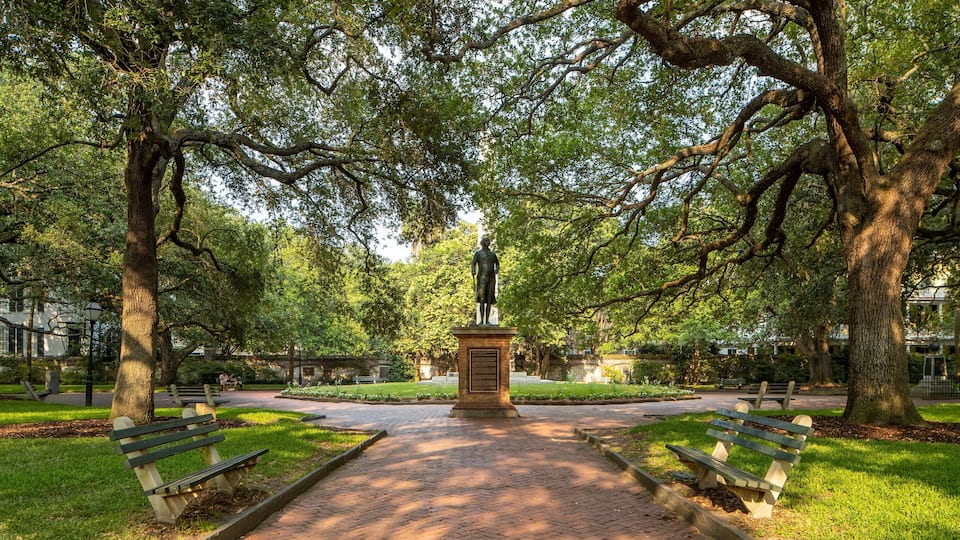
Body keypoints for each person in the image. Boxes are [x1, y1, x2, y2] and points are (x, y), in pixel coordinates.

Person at [471, 236, 499, 325]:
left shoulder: (492, 254)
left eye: (488, 241)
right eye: (486, 240)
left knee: (489, 300)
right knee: (482, 300)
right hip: (481, 279)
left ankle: (487, 321)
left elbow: (497, 263)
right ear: (482, 242)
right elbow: (473, 263)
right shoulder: (478, 253)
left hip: (491, 279)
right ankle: (481, 321)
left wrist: (497, 269)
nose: (487, 242)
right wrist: (473, 270)